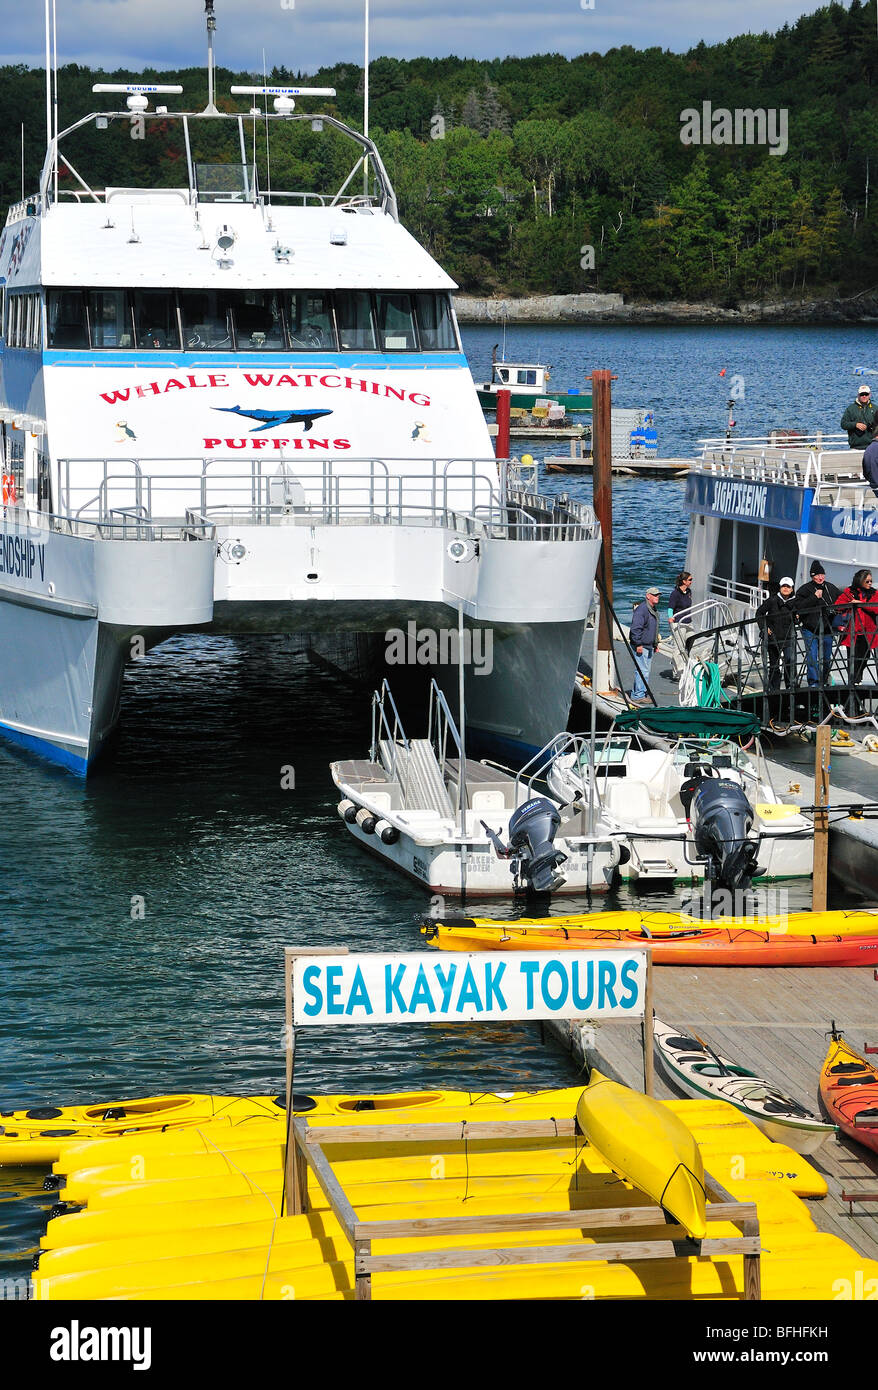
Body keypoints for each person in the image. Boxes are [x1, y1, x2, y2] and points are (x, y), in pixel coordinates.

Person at [834, 569, 878, 709]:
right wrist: (850, 603)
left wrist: (858, 603)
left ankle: (856, 683)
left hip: (868, 633)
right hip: (852, 634)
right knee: (852, 661)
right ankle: (854, 685)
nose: (870, 583)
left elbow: (876, 609)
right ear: (860, 580)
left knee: (863, 659)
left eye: (871, 581)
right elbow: (838, 605)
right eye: (867, 581)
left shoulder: (875, 593)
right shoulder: (849, 591)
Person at [793, 561, 840, 688]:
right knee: (812, 657)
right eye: (817, 575)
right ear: (812, 576)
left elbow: (841, 600)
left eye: (822, 574)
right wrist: (814, 597)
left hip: (827, 628)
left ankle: (824, 680)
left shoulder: (831, 588)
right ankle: (813, 683)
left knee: (826, 658)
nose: (820, 577)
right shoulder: (804, 589)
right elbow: (798, 606)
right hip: (810, 628)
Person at [755, 577, 796, 691]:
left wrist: (798, 618)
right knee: (774, 664)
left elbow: (798, 616)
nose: (786, 589)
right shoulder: (772, 600)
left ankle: (790, 686)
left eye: (788, 587)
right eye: (784, 586)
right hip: (773, 637)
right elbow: (759, 613)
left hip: (788, 638)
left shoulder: (794, 602)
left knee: (790, 661)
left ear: (792, 589)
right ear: (780, 587)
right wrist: (764, 627)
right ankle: (774, 689)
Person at [628, 585, 661, 703]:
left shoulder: (652, 609)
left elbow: (654, 628)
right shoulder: (642, 610)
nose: (658, 597)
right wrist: (638, 644)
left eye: (658, 595)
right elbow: (635, 628)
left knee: (644, 671)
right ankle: (637, 695)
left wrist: (655, 644)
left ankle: (640, 692)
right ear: (648, 596)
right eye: (655, 595)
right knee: (642, 671)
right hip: (641, 645)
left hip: (649, 645)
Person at [841, 384, 878, 449]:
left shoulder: (875, 408)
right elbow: (843, 424)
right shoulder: (851, 409)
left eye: (866, 394)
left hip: (872, 446)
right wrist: (855, 425)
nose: (864, 396)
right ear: (858, 395)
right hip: (855, 447)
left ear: (869, 395)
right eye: (862, 394)